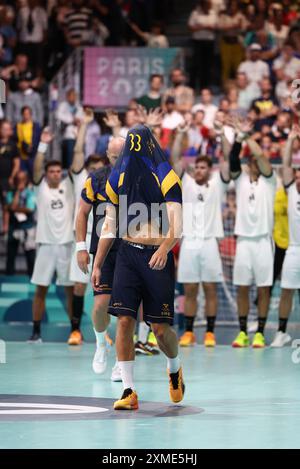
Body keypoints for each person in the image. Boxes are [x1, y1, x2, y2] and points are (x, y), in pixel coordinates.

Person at [91, 124, 184, 410]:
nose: (132, 150)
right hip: (128, 255)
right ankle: (129, 390)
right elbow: (109, 223)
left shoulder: (167, 177)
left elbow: (176, 223)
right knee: (124, 321)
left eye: (137, 144)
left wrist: (165, 248)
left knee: (160, 329)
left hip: (157, 255)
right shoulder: (117, 180)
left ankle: (174, 367)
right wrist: (98, 263)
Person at [171, 120, 230, 347]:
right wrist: (181, 133)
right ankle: (189, 331)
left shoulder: (217, 185)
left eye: (203, 168)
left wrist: (222, 133)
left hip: (209, 242)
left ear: (210, 170)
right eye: (196, 167)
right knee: (191, 289)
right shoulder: (186, 182)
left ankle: (210, 332)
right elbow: (176, 158)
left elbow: (225, 159)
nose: (198, 171)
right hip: (189, 242)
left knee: (210, 288)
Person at [76, 114, 125, 379]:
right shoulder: (96, 179)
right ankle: (100, 344)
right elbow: (82, 213)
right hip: (103, 251)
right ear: (107, 155)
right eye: (115, 156)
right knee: (100, 307)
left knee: (126, 311)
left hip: (130, 250)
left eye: (123, 155)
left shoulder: (136, 178)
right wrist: (80, 248)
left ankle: (122, 360)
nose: (118, 161)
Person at [229, 118, 276, 348]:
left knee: (264, 288)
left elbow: (262, 158)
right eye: (250, 160)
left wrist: (248, 136)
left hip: (264, 241)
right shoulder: (240, 181)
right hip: (244, 242)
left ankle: (259, 332)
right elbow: (232, 160)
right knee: (242, 288)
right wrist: (239, 139)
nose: (253, 163)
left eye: (254, 160)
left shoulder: (270, 180)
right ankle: (242, 332)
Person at [28, 128, 75, 343]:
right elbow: (37, 168)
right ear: (48, 174)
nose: (56, 174)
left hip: (66, 244)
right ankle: (36, 332)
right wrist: (43, 145)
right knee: (41, 290)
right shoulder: (41, 188)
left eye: (58, 171)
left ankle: (75, 330)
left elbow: (77, 165)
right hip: (46, 245)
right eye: (52, 171)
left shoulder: (69, 186)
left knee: (69, 290)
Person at [68, 109, 106, 345]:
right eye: (90, 167)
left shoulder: (109, 181)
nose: (93, 170)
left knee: (105, 291)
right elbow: (78, 151)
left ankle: (105, 334)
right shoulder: (80, 179)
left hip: (105, 243)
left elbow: (119, 156)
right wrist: (84, 125)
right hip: (83, 241)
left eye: (97, 167)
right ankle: (75, 331)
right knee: (79, 286)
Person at [271, 125, 300, 347]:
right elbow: (287, 164)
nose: (298, 177)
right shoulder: (290, 191)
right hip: (293, 249)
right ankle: (281, 332)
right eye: (297, 176)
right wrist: (290, 140)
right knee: (286, 292)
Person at [5, 171, 36, 276]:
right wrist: (18, 191)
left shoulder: (30, 193)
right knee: (10, 256)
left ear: (26, 180)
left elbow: (30, 209)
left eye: (22, 179)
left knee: (30, 257)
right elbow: (12, 206)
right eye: (18, 179)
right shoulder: (10, 193)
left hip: (27, 228)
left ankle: (31, 279)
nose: (20, 181)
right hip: (14, 228)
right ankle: (9, 279)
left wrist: (16, 209)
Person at [188, 0, 217, 90]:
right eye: (207, 5)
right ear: (202, 5)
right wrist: (204, 27)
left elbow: (216, 27)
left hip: (209, 42)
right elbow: (190, 27)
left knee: (207, 66)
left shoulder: (213, 13)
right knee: (196, 64)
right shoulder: (195, 13)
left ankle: (204, 87)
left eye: (210, 5)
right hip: (198, 42)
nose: (209, 7)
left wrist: (201, 26)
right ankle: (192, 86)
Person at [0, 120, 20, 235]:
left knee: (6, 204)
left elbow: (16, 162)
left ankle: (5, 228)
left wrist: (12, 176)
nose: (7, 131)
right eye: (4, 128)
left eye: (8, 129)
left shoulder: (12, 145)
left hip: (6, 179)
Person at [55, 88, 83, 168]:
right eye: (72, 96)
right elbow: (59, 116)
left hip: (77, 135)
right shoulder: (63, 106)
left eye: (75, 96)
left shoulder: (78, 107)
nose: (74, 97)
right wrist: (71, 120)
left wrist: (77, 120)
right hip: (66, 135)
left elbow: (81, 118)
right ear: (67, 97)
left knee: (76, 155)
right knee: (68, 156)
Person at [16, 105, 41, 177]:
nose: (26, 116)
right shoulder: (18, 126)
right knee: (22, 176)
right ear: (22, 115)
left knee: (33, 176)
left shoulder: (36, 126)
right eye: (24, 114)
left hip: (32, 155)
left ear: (31, 114)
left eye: (28, 114)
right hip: (21, 155)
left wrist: (33, 147)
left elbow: (38, 139)